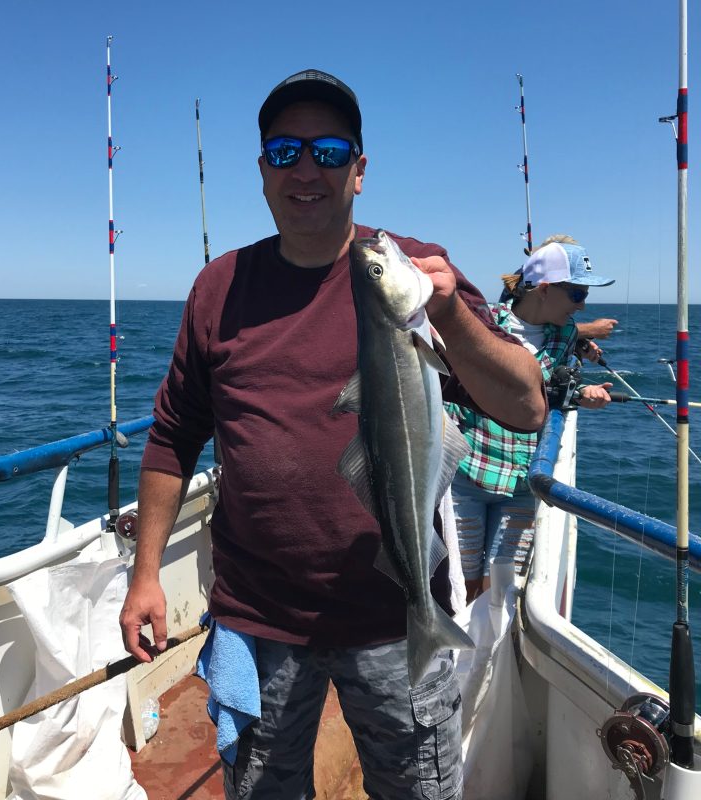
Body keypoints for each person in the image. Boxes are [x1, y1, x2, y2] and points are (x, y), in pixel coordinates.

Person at [118, 68, 546, 800]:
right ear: (262, 173)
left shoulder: (416, 272)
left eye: (330, 149)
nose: (308, 169)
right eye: (285, 152)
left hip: (393, 617)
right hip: (259, 617)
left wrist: (446, 316)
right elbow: (171, 436)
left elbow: (526, 406)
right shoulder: (219, 287)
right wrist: (146, 573)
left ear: (360, 168)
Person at [447, 237, 615, 601]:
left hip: (523, 482)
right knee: (461, 582)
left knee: (502, 586)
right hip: (468, 472)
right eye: (576, 293)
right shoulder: (482, 321)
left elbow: (554, 386)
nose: (583, 304)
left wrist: (581, 395)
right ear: (544, 289)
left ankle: (488, 652)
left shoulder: (566, 335)